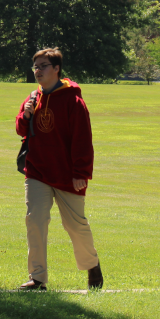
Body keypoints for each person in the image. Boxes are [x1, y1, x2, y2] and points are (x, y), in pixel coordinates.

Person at [15, 48, 103, 290]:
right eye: (35, 66)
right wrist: (26, 114)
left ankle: (92, 265)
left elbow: (83, 138)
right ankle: (38, 278)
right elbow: (21, 129)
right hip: (37, 171)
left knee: (75, 225)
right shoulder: (33, 97)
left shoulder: (74, 101)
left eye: (43, 65)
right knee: (35, 220)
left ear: (56, 69)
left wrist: (81, 173)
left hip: (67, 175)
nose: (38, 70)